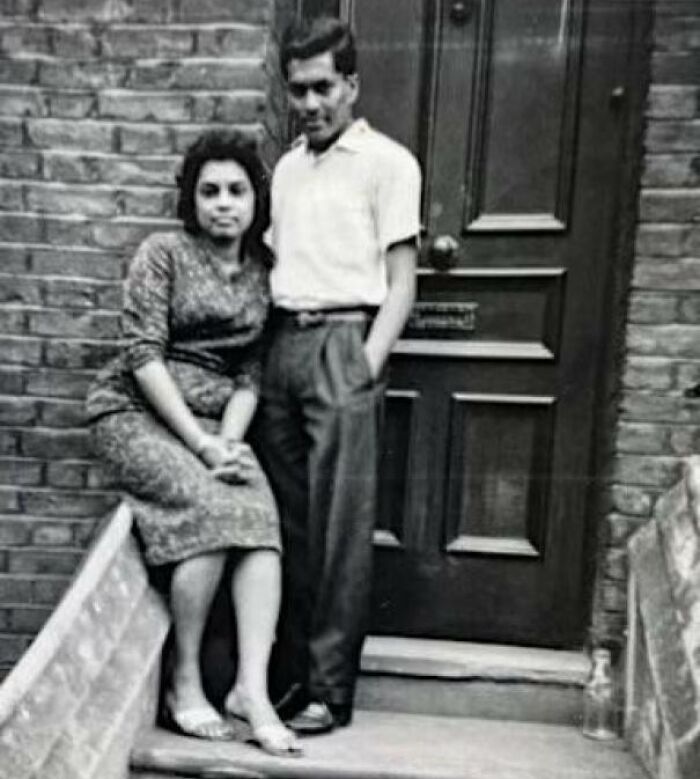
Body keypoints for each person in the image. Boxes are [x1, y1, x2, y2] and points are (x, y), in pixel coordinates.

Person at [85, 130, 301, 757]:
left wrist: (229, 444)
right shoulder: (163, 254)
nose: (223, 204)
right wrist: (201, 448)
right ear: (192, 200)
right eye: (209, 192)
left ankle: (250, 693)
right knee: (210, 512)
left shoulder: (266, 276)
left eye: (236, 191)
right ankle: (184, 684)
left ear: (255, 200)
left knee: (259, 521)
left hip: (218, 423)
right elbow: (144, 357)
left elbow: (249, 375)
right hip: (137, 412)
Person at [256, 16, 422, 734]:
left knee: (339, 528)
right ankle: (289, 675)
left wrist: (364, 365)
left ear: (351, 84)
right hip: (282, 347)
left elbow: (403, 281)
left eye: (325, 86)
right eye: (299, 90)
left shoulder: (389, 163)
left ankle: (330, 687)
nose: (312, 102)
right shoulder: (287, 168)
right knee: (286, 524)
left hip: (344, 342)